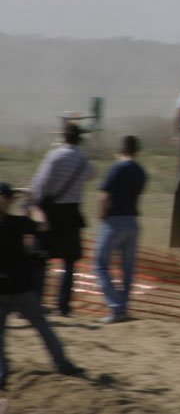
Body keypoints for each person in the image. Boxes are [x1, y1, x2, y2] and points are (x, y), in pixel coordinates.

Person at [0, 182, 84, 390]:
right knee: (43, 328)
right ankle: (62, 364)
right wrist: (32, 200)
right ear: (10, 201)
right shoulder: (17, 222)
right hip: (21, 287)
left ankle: (2, 373)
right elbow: (43, 225)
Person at [28, 122, 95, 317]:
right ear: (79, 138)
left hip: (51, 212)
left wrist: (35, 205)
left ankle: (37, 303)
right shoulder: (83, 160)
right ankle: (64, 306)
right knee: (69, 262)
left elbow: (41, 184)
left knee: (41, 259)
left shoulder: (54, 156)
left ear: (64, 137)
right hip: (72, 213)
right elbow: (92, 174)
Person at [93, 136, 147, 324]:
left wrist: (101, 215)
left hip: (114, 222)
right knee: (128, 268)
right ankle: (123, 307)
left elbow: (104, 195)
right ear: (137, 150)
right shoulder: (141, 172)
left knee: (100, 264)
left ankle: (116, 308)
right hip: (132, 222)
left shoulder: (117, 167)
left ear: (121, 149)